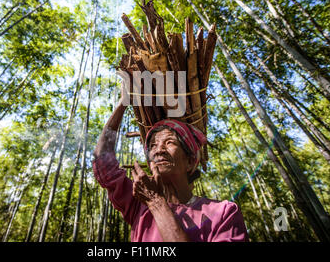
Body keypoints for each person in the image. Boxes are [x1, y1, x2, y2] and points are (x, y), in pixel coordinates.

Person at [93, 97, 249, 242]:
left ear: (189, 162)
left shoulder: (223, 213)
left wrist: (156, 202)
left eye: (169, 142)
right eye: (153, 145)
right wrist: (123, 103)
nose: (158, 150)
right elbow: (102, 162)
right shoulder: (138, 203)